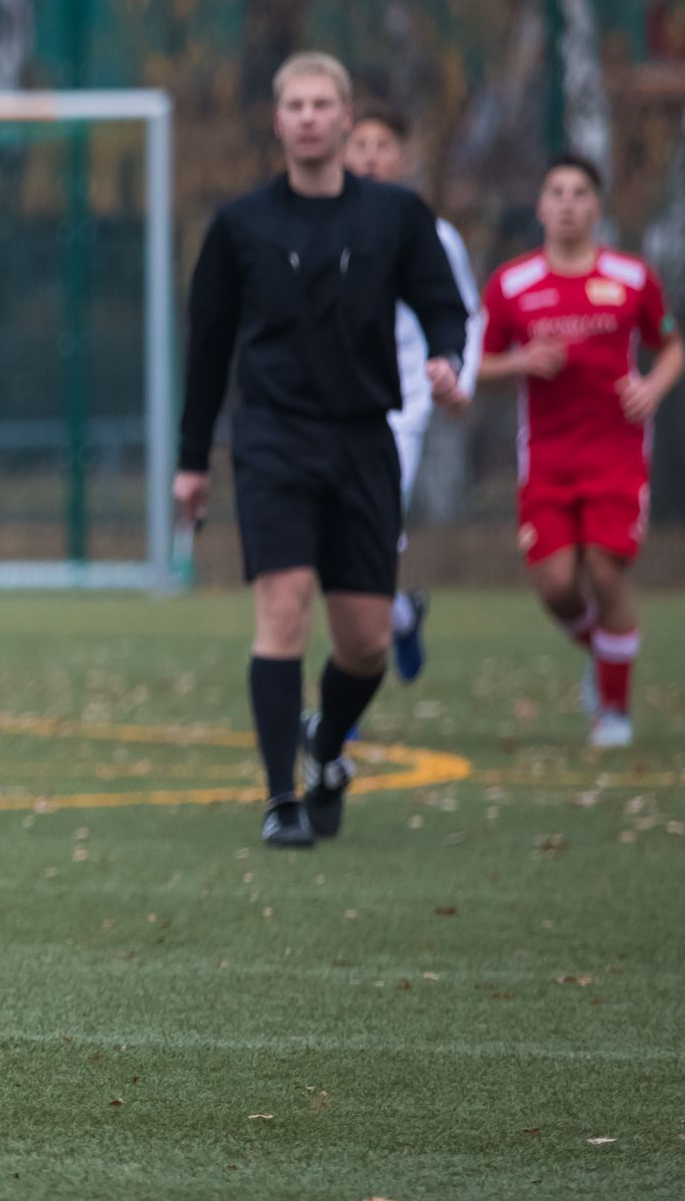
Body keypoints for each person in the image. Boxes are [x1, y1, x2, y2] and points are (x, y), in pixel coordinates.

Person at [175, 55, 468, 849]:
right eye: (294, 105)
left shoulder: (395, 217)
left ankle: (328, 748)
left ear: (347, 120)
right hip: (271, 437)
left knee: (367, 641)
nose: (307, 117)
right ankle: (280, 801)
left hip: (362, 438)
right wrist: (192, 460)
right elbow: (207, 348)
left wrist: (448, 358)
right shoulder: (241, 224)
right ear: (278, 122)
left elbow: (444, 305)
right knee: (284, 604)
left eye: (321, 104)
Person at [476, 155, 685, 751]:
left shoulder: (631, 277)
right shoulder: (511, 285)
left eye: (579, 193)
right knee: (555, 587)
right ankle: (604, 656)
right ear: (540, 207)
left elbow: (671, 348)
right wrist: (521, 361)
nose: (567, 203)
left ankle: (614, 714)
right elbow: (478, 365)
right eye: (556, 192)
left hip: (616, 451)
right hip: (545, 456)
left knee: (603, 570)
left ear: (597, 206)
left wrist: (651, 386)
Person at [340, 103, 484, 683]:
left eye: (383, 145)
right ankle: (399, 616)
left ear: (403, 159)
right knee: (336, 549)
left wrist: (458, 380)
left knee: (363, 538)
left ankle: (343, 699)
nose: (371, 155)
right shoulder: (316, 220)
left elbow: (465, 315)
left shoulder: (430, 232)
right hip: (324, 409)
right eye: (360, 145)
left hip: (399, 408)